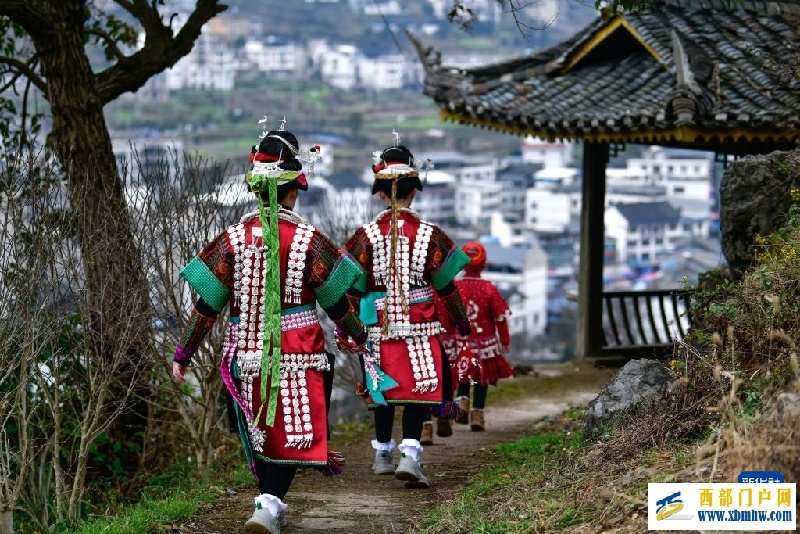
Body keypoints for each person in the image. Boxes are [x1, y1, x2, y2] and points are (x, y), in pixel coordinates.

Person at [172, 125, 368, 534]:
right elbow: (335, 301)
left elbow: (207, 305)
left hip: (243, 352)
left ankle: (266, 505)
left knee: (260, 430)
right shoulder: (310, 240)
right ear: (293, 190)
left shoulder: (231, 241)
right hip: (301, 351)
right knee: (293, 432)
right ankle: (270, 506)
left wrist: (183, 353)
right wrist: (358, 333)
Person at [341, 143, 471, 489]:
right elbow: (446, 286)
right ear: (414, 192)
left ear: (381, 195)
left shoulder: (363, 237)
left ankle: (382, 454)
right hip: (420, 325)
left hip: (376, 327)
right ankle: (410, 456)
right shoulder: (432, 235)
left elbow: (351, 289)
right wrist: (461, 322)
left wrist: (348, 329)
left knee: (382, 390)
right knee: (419, 390)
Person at [439, 241, 515, 431]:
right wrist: (504, 340)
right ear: (485, 264)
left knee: (463, 374)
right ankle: (477, 415)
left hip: (459, 342)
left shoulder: (454, 287)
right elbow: (500, 318)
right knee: (482, 379)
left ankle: (462, 402)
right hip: (485, 343)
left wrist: (448, 338)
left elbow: (446, 315)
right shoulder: (489, 289)